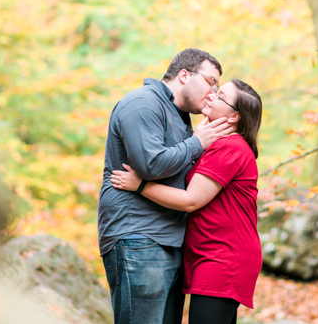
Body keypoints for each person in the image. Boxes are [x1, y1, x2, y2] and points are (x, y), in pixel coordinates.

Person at [97, 49, 234, 324]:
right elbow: (151, 165)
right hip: (138, 238)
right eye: (211, 81)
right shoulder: (142, 103)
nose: (213, 92)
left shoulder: (180, 115)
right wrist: (197, 143)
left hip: (169, 241)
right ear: (184, 75)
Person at [111, 79, 263, 324]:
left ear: (234, 117)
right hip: (214, 254)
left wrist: (140, 185)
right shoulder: (217, 144)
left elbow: (190, 200)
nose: (211, 95)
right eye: (215, 89)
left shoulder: (229, 147)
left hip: (224, 258)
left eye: (220, 95)